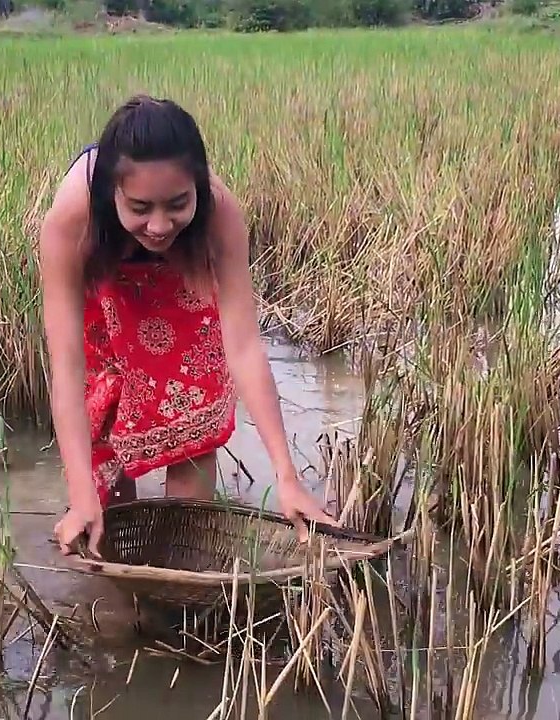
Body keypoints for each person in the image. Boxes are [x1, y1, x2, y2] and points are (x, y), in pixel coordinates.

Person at [40, 95, 338, 558]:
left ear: (197, 187)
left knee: (190, 399)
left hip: (182, 280)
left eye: (177, 203)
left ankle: (184, 564)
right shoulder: (72, 219)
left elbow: (242, 347)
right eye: (139, 207)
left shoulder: (218, 212)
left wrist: (287, 476)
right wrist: (82, 496)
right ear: (112, 195)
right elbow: (67, 369)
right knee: (102, 482)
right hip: (105, 283)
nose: (159, 225)